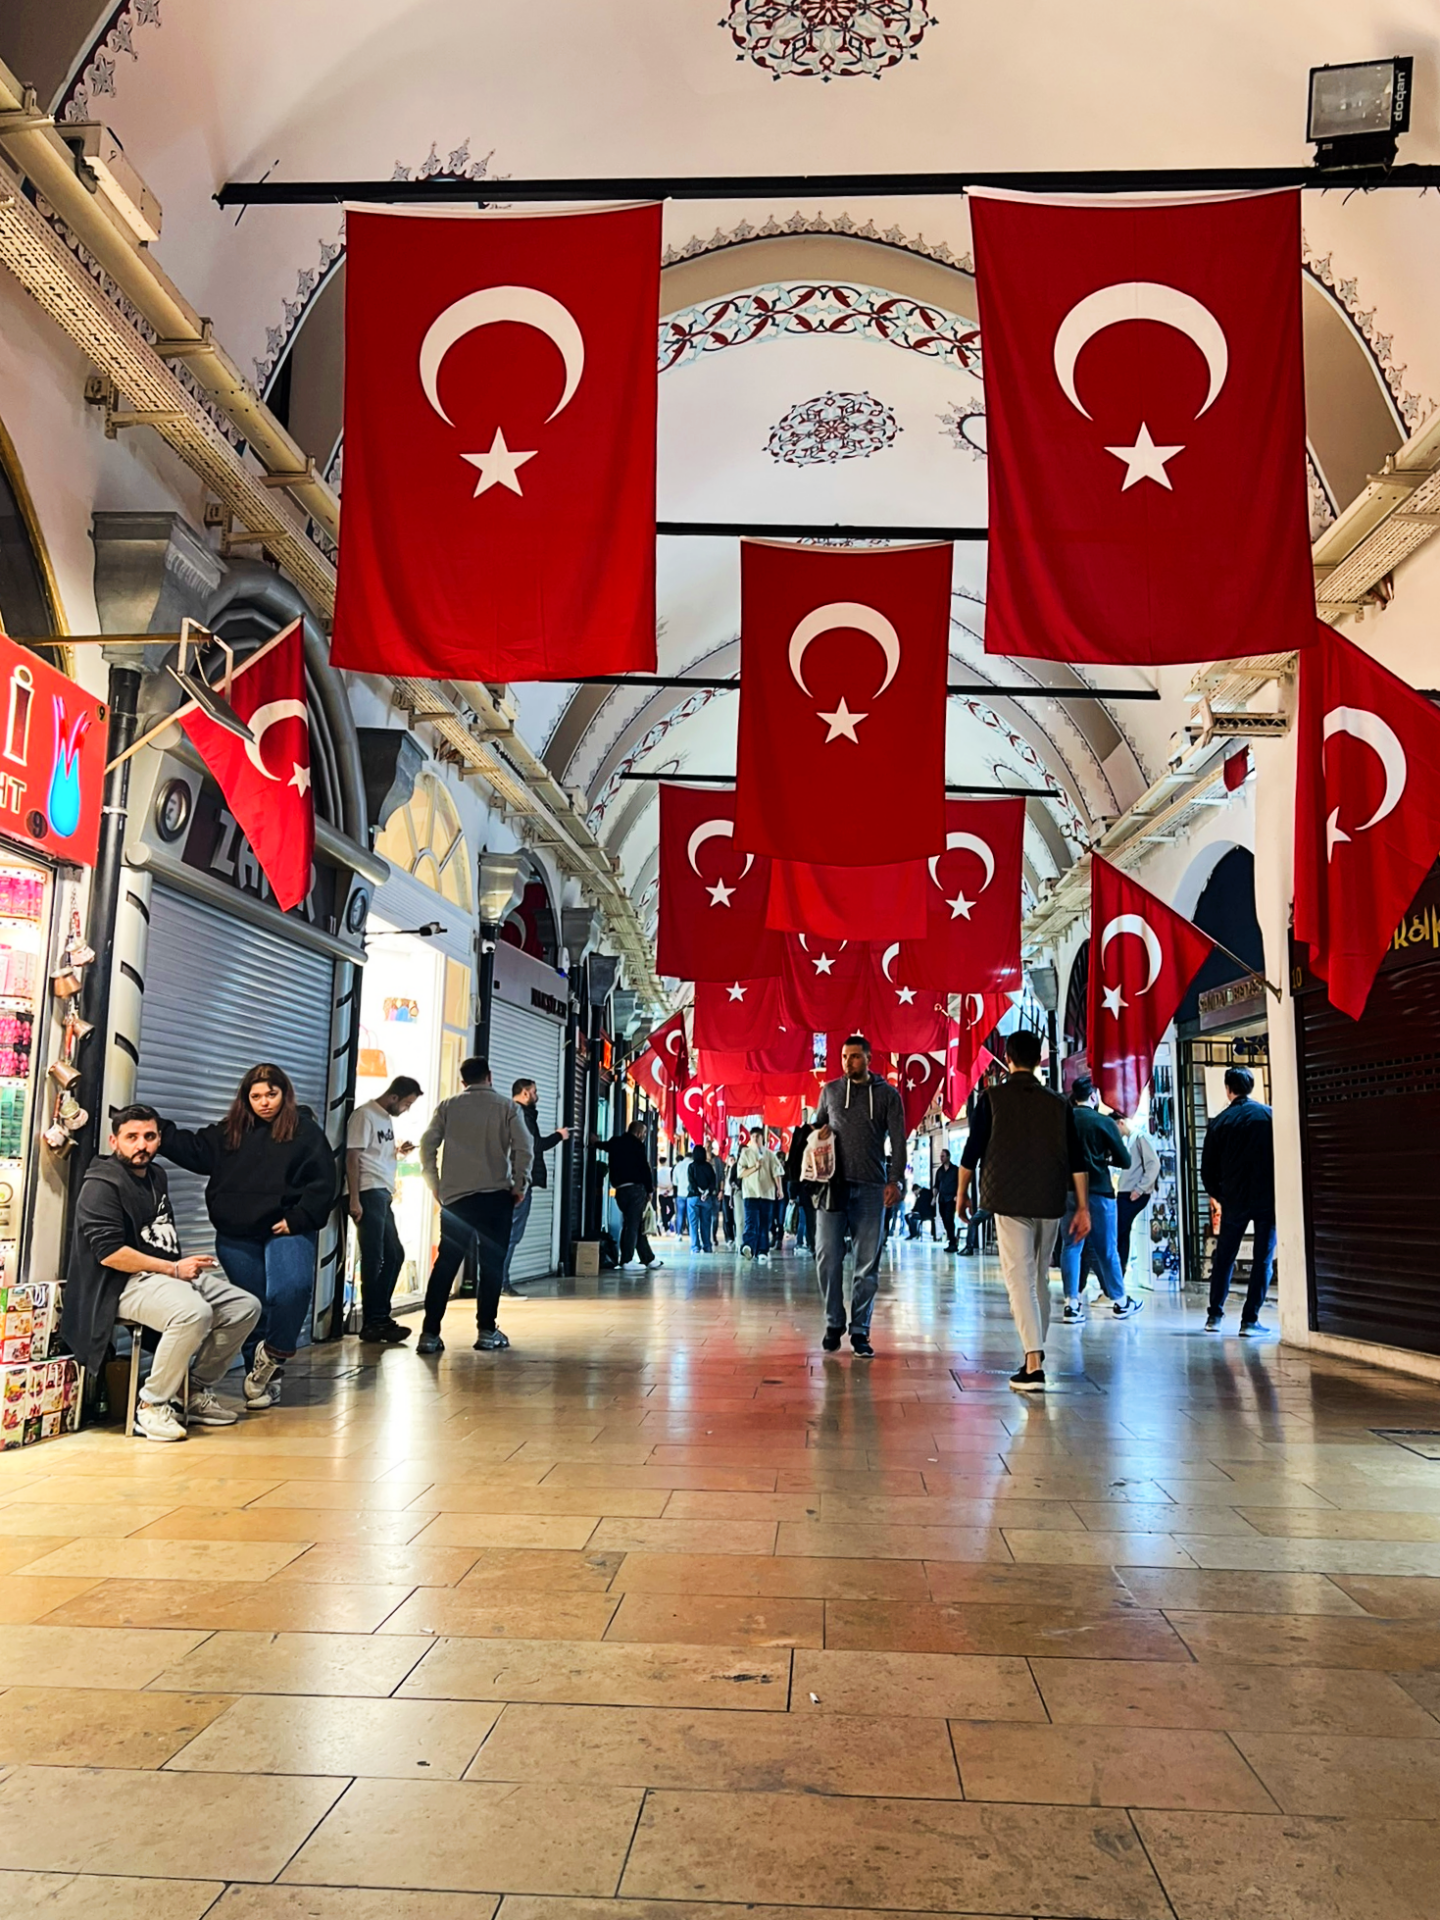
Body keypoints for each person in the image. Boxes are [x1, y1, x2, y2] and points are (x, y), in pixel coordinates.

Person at [64, 1105, 262, 1440]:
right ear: (115, 1141)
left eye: (149, 1137)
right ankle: (152, 1406)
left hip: (164, 1275)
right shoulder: (100, 1186)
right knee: (192, 1313)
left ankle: (193, 1392)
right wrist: (173, 1268)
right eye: (132, 1137)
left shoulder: (157, 1175)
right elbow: (111, 1255)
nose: (141, 1145)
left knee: (244, 1307)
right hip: (117, 1285)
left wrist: (177, 1269)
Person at [159, 1064, 336, 1411]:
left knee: (291, 1289)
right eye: (256, 1096)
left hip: (285, 1228)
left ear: (284, 1093)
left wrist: (298, 1218)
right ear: (246, 1098)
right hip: (236, 1234)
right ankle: (267, 1381)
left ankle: (272, 1357)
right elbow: (193, 1149)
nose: (264, 1102)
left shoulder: (304, 1131)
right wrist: (153, 1127)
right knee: (253, 1306)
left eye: (271, 1094)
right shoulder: (231, 1132)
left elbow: (325, 1181)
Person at [956, 1029, 1090, 1393]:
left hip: (1008, 1197)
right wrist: (1082, 1206)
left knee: (1019, 1278)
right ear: (1038, 1059)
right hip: (1049, 1197)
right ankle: (1036, 1354)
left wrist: (961, 1193)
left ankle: (1033, 1365)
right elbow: (1078, 1159)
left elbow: (972, 1150)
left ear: (1009, 1058)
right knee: (1040, 1279)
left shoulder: (992, 1097)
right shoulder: (1059, 1103)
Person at [417, 1056, 532, 1355]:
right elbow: (524, 1148)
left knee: (446, 1264)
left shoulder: (447, 1107)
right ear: (489, 1077)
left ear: (463, 1080)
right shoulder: (508, 1108)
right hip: (496, 1198)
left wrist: (435, 1184)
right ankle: (486, 1331)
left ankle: (429, 1334)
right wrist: (520, 1185)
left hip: (456, 1201)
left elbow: (427, 1144)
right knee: (491, 1265)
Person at [811, 1035, 907, 1358]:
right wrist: (817, 1133)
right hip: (833, 1187)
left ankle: (861, 1329)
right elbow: (813, 1130)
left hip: (870, 1188)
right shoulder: (830, 1092)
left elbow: (899, 1140)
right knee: (826, 1256)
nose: (847, 1062)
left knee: (867, 1263)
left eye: (854, 1056)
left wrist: (894, 1181)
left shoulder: (888, 1097)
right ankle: (833, 1321)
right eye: (843, 1056)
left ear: (868, 1058)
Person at [345, 1074, 422, 1344]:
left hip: (382, 1191)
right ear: (393, 1098)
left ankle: (379, 1316)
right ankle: (374, 1321)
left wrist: (398, 1151)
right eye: (407, 1104)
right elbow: (352, 1156)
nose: (406, 1109)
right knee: (375, 1255)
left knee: (393, 1254)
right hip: (368, 1190)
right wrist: (354, 1198)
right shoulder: (364, 1115)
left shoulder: (384, 1118)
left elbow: (374, 1153)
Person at [1060, 1078, 1143, 1323]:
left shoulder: (1062, 1122)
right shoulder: (1103, 1122)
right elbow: (1125, 1160)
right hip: (1099, 1190)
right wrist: (1103, 1158)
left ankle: (1071, 1304)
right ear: (1094, 1097)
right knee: (1108, 1249)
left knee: (1071, 1246)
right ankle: (1120, 1301)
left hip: (1068, 1191)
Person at [1202, 1065, 1275, 1334]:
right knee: (1263, 1259)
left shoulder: (1220, 1122)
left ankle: (1215, 1317)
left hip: (1234, 1199)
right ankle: (1250, 1320)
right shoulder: (1269, 1116)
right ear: (1251, 1087)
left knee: (1224, 1257)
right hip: (1268, 1199)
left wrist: (1222, 1195)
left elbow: (1207, 1170)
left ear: (1228, 1089)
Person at [504, 1078, 569, 1296]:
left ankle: (498, 1282)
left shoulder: (508, 1112)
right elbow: (534, 1145)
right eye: (534, 1091)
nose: (536, 1095)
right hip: (518, 1182)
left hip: (504, 1179)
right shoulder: (522, 1115)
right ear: (524, 1094)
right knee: (512, 1233)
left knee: (506, 1232)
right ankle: (502, 1283)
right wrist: (559, 1136)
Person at [600, 1118, 662, 1270]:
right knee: (633, 1225)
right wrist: (650, 1190)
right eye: (645, 1133)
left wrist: (595, 1142)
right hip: (635, 1190)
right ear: (639, 1132)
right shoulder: (637, 1146)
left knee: (633, 1224)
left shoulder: (615, 1142)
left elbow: (605, 1146)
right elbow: (644, 1169)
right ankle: (627, 1260)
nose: (644, 1136)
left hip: (620, 1190)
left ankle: (649, 1258)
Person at [1115, 1116, 1161, 1272]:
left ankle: (1118, 1275)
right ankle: (1119, 1275)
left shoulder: (1140, 1137)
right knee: (1122, 1232)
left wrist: (1140, 1189)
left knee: (1118, 1232)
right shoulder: (1130, 1140)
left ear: (1120, 1122)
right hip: (1127, 1192)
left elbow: (1153, 1164)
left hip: (1132, 1193)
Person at [736, 1125, 784, 1260]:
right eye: (753, 1137)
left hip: (767, 1194)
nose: (755, 1139)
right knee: (751, 1222)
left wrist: (779, 1189)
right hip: (750, 1193)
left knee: (764, 1223)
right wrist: (754, 1168)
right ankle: (748, 1246)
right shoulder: (746, 1153)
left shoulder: (769, 1154)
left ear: (763, 1137)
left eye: (758, 1136)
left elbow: (777, 1172)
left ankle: (762, 1250)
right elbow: (741, 1173)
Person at [785, 1117, 817, 1254]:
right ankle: (814, 1244)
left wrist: (792, 1194)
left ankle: (813, 1244)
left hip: (807, 1188)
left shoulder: (801, 1136)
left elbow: (794, 1165)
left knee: (810, 1219)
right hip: (820, 1188)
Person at [687, 1142, 718, 1252]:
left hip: (693, 1198)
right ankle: (707, 1246)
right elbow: (713, 1182)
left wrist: (699, 1192)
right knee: (706, 1223)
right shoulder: (708, 1167)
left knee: (693, 1224)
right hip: (707, 1199)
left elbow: (691, 1182)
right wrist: (706, 1192)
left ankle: (695, 1247)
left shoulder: (691, 1166)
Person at [935, 1149, 960, 1251]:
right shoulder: (939, 1171)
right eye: (940, 1156)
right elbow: (936, 1185)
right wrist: (934, 1197)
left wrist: (958, 1195)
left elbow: (960, 1183)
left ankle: (953, 1243)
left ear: (948, 1157)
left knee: (949, 1218)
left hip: (951, 1198)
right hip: (942, 1199)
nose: (941, 1158)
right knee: (944, 1219)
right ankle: (952, 1239)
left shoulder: (955, 1170)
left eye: (943, 1156)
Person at [673, 1151, 690, 1240]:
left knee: (680, 1214)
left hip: (680, 1193)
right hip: (690, 1194)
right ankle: (691, 1233)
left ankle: (678, 1233)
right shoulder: (692, 1164)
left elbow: (675, 1182)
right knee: (690, 1215)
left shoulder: (678, 1166)